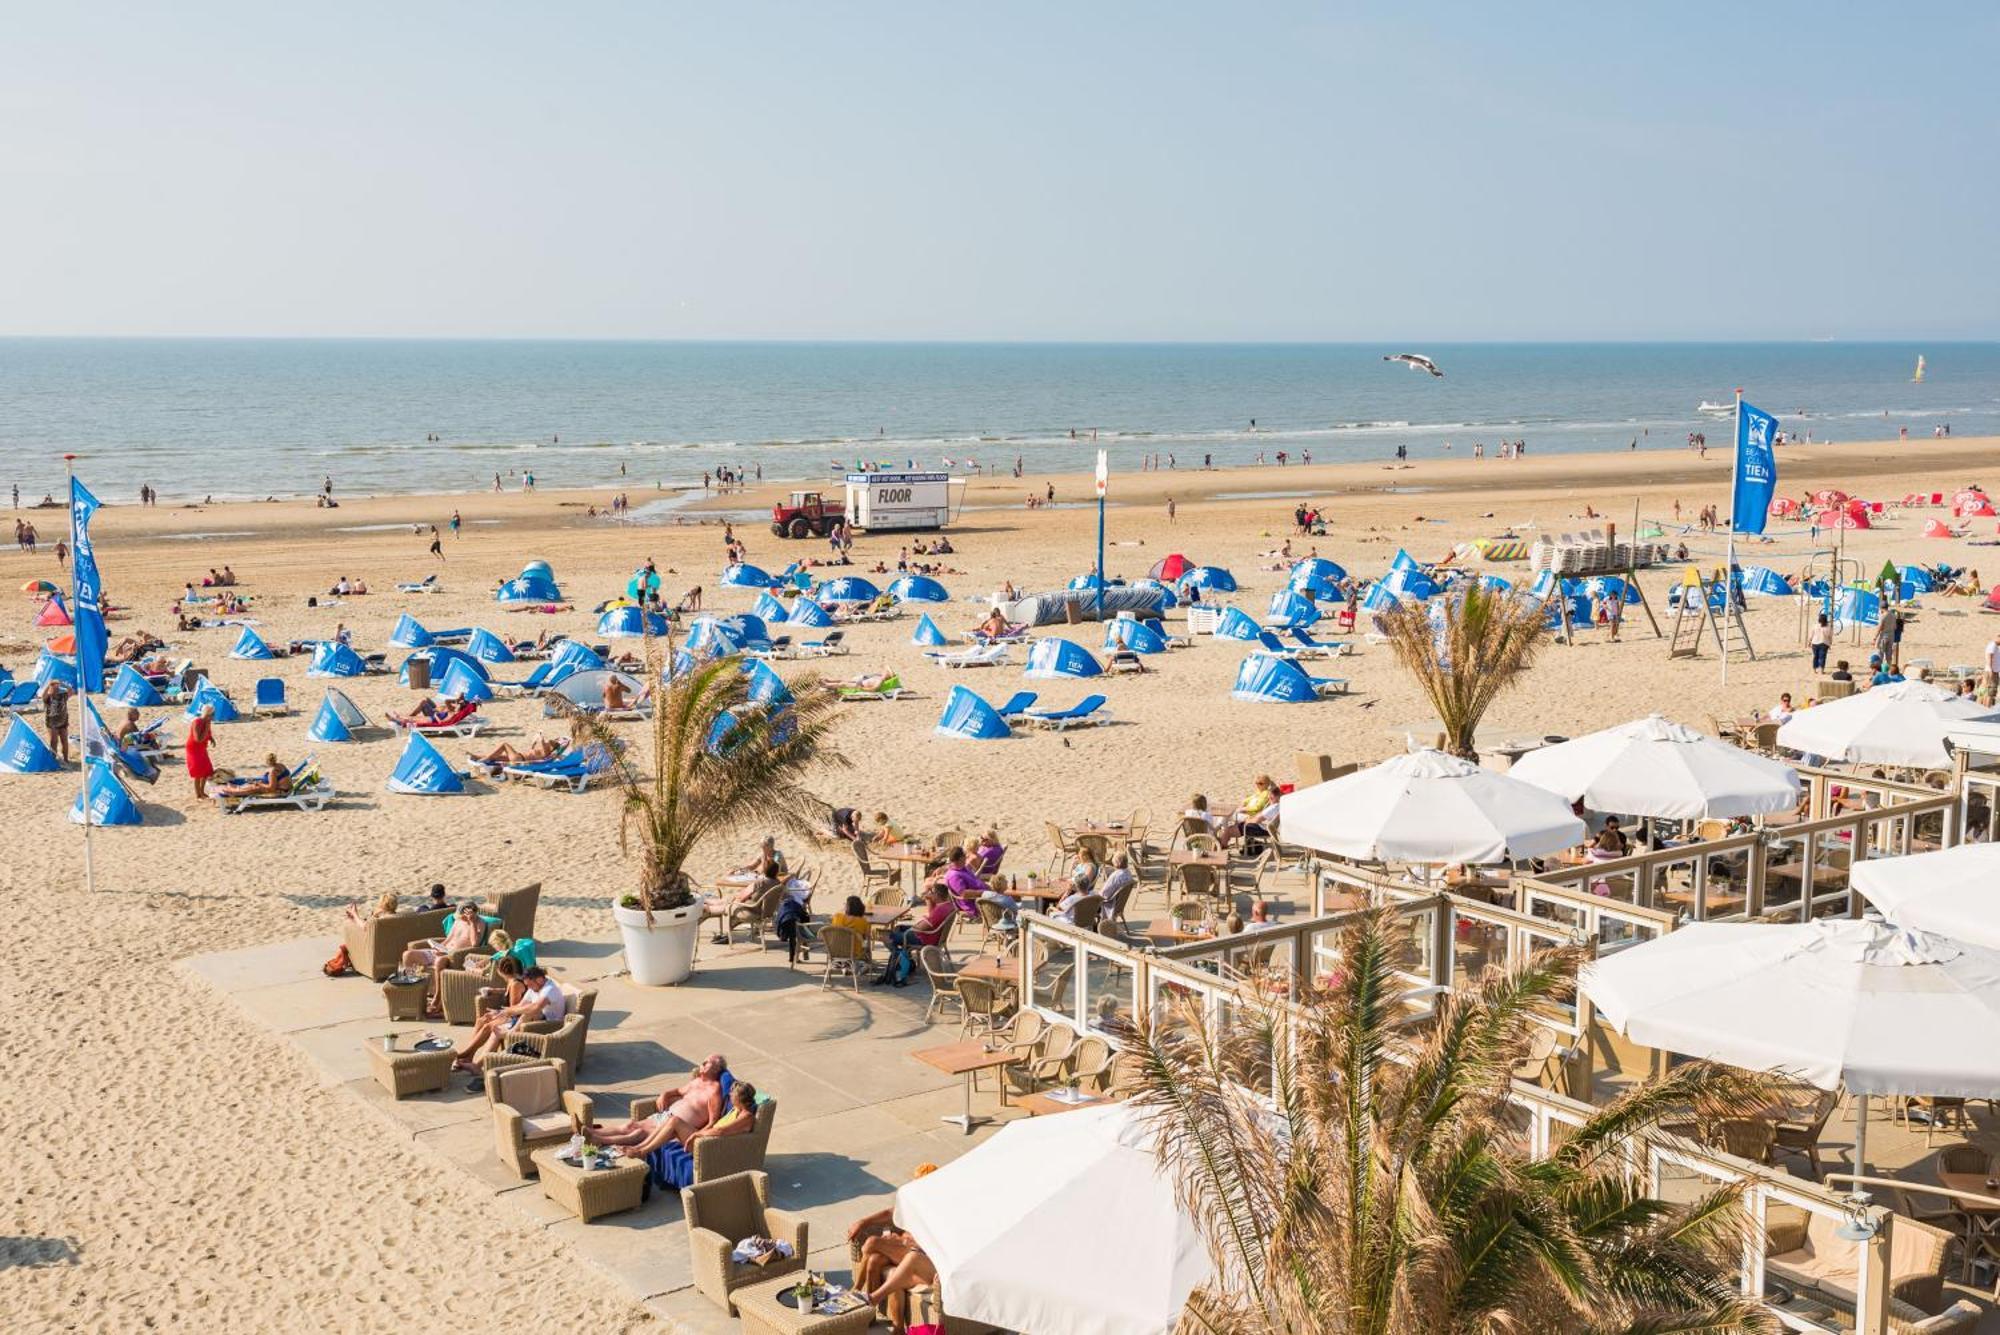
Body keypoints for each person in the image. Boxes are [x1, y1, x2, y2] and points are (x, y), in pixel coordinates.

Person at [589, 1054, 729, 1151]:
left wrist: (696, 1136)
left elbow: (713, 1122)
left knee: (637, 1133)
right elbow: (677, 1092)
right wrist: (664, 1095)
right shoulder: (696, 1082)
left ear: (717, 1069)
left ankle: (599, 1140)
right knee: (631, 1125)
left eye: (708, 1062)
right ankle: (591, 1131)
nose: (703, 1063)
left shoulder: (714, 1091)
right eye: (704, 1061)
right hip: (665, 1116)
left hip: (675, 1128)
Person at [452, 964, 566, 1071]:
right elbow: (520, 1006)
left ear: (540, 980)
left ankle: (509, 1033)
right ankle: (476, 1065)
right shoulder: (534, 987)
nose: (529, 988)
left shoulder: (549, 990)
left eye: (530, 985)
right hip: (532, 1022)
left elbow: (535, 1008)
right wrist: (502, 1012)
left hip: (548, 1026)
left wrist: (509, 1012)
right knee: (494, 1031)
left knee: (530, 1010)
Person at [880, 886, 951, 986]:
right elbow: (931, 915)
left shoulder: (940, 910)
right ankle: (906, 959)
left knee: (886, 936)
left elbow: (921, 928)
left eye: (932, 892)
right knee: (898, 928)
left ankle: (902, 962)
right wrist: (928, 900)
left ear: (937, 895)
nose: (929, 893)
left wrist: (913, 928)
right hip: (932, 934)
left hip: (924, 938)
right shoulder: (947, 905)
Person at [215, 753, 288, 799]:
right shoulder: (281, 765)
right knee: (253, 784)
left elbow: (272, 788)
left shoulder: (272, 771)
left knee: (254, 787)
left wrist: (260, 784)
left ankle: (234, 792)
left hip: (280, 791)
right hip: (285, 789)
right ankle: (236, 788)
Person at [184, 701, 215, 798]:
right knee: (198, 772)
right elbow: (198, 739)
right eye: (211, 714)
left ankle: (202, 791)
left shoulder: (206, 722)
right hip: (194, 748)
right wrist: (206, 727)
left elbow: (207, 735)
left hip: (202, 748)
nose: (213, 716)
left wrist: (211, 738)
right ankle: (198, 794)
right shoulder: (197, 722)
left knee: (207, 770)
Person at [42, 679, 72, 764]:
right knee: (54, 742)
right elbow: (43, 695)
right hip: (52, 723)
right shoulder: (48, 698)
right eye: (53, 688)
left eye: (57, 688)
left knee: (64, 741)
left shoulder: (63, 695)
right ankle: (53, 760)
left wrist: (62, 683)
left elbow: (71, 691)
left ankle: (66, 759)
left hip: (63, 721)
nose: (55, 689)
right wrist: (49, 684)